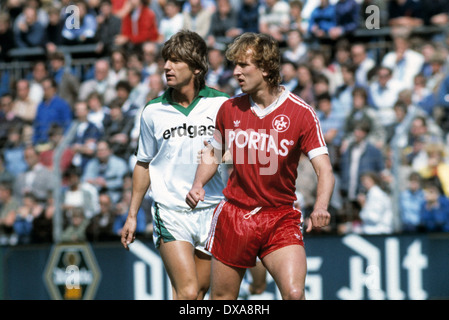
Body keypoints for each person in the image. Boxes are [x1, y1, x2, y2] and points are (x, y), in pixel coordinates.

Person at [185, 32, 334, 300]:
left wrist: (321, 206)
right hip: (235, 215)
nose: (236, 72)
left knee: (295, 294)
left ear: (266, 68)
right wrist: (198, 184)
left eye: (243, 65)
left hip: (280, 216)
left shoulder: (301, 113)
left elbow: (324, 168)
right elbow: (213, 153)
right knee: (222, 299)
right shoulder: (229, 109)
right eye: (234, 65)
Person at [120, 30, 229, 300]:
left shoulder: (222, 104)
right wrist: (132, 214)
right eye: (166, 60)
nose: (167, 67)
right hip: (171, 210)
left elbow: (232, 157)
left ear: (195, 67)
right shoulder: (153, 110)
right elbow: (143, 164)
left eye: (175, 61)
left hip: (213, 209)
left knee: (201, 292)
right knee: (188, 293)